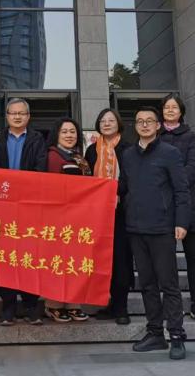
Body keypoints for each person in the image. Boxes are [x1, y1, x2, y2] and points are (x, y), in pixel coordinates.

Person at [119, 106, 190, 360]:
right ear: (135, 126)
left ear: (158, 125)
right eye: (140, 121)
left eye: (150, 121)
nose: (145, 125)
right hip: (136, 228)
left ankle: (177, 335)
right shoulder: (128, 155)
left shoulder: (170, 153)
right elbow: (123, 187)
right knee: (147, 284)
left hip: (162, 228)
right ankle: (155, 333)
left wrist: (181, 222)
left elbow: (181, 190)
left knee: (168, 284)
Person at [0, 97, 47, 326]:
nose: (17, 116)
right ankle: (8, 307)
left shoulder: (38, 140)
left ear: (28, 116)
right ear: (6, 116)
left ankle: (31, 305)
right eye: (13, 113)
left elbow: (41, 170)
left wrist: (23, 192)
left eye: (21, 113)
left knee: (29, 257)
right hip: (3, 208)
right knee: (5, 258)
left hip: (28, 208)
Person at [159, 94, 195, 323]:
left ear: (181, 112)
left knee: (194, 256)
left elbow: (193, 167)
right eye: (166, 107)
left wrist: (174, 184)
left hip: (188, 203)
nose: (170, 110)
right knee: (166, 258)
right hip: (162, 205)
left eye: (174, 107)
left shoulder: (190, 136)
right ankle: (171, 304)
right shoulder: (155, 135)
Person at [84, 108, 133, 325]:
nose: (106, 123)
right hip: (97, 213)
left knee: (121, 260)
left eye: (111, 120)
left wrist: (111, 191)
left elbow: (131, 179)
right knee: (102, 260)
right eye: (103, 120)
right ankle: (108, 303)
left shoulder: (128, 148)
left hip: (121, 212)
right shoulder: (91, 150)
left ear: (118, 123)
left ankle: (122, 307)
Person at [43, 117, 91, 323]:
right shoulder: (53, 157)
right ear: (56, 135)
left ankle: (73, 304)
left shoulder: (79, 157)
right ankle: (53, 304)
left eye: (72, 132)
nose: (69, 135)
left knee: (74, 263)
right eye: (64, 132)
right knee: (58, 263)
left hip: (79, 219)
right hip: (59, 219)